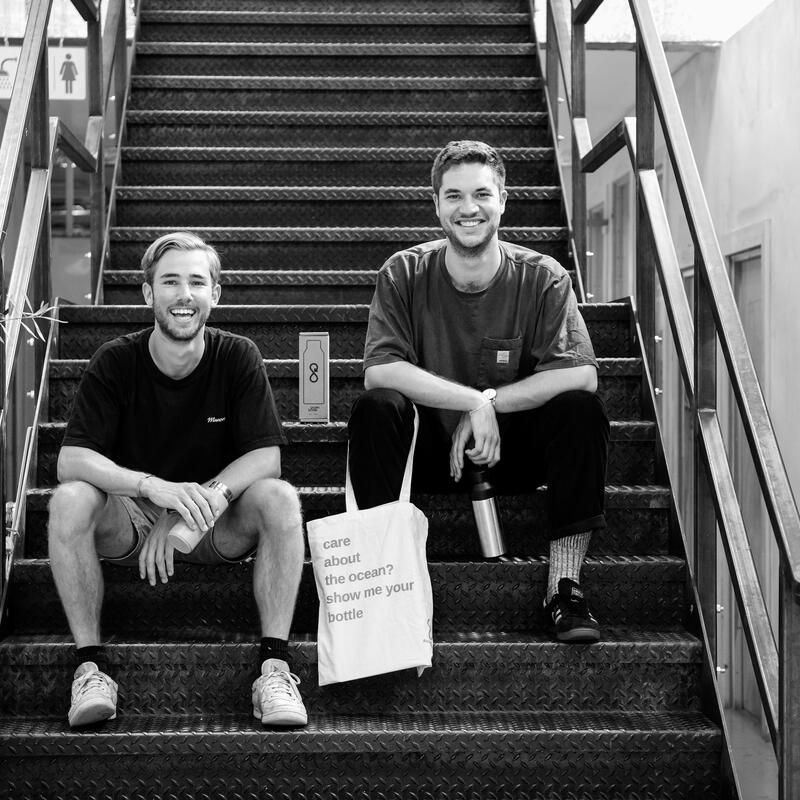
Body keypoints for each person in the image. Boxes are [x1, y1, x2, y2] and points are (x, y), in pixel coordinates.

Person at [348, 141, 609, 643]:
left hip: (513, 453)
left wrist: (493, 404)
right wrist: (471, 401)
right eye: (454, 196)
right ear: (437, 205)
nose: (469, 208)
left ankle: (565, 588)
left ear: (504, 200)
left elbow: (581, 374)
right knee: (376, 409)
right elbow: (380, 370)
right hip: (428, 454)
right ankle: (381, 584)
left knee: (581, 410)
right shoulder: (403, 272)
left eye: (482, 194)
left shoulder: (543, 276)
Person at [48, 232, 308, 727]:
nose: (183, 294)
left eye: (196, 282)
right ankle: (90, 669)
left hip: (213, 520)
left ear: (215, 294)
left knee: (279, 498)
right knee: (68, 500)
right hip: (129, 516)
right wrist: (151, 489)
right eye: (170, 281)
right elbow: (71, 460)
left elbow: (266, 458)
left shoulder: (238, 356)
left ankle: (275, 667)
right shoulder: (115, 360)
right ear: (148, 294)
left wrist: (189, 507)